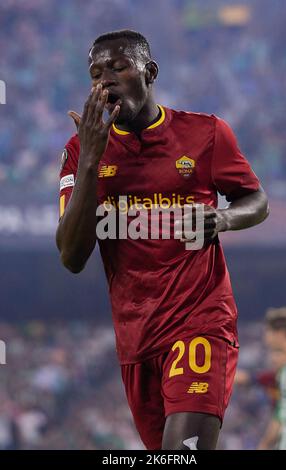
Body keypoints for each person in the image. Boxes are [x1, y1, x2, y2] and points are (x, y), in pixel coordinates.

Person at [56, 29, 269, 450]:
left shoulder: (205, 134)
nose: (106, 81)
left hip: (200, 322)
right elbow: (71, 256)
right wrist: (92, 163)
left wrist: (223, 218)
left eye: (119, 68)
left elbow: (256, 199)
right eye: (96, 73)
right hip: (135, 338)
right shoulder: (82, 150)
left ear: (150, 72)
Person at [258, 307, 286, 450]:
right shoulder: (285, 371)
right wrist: (264, 444)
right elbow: (283, 414)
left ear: (281, 333)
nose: (265, 337)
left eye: (268, 332)